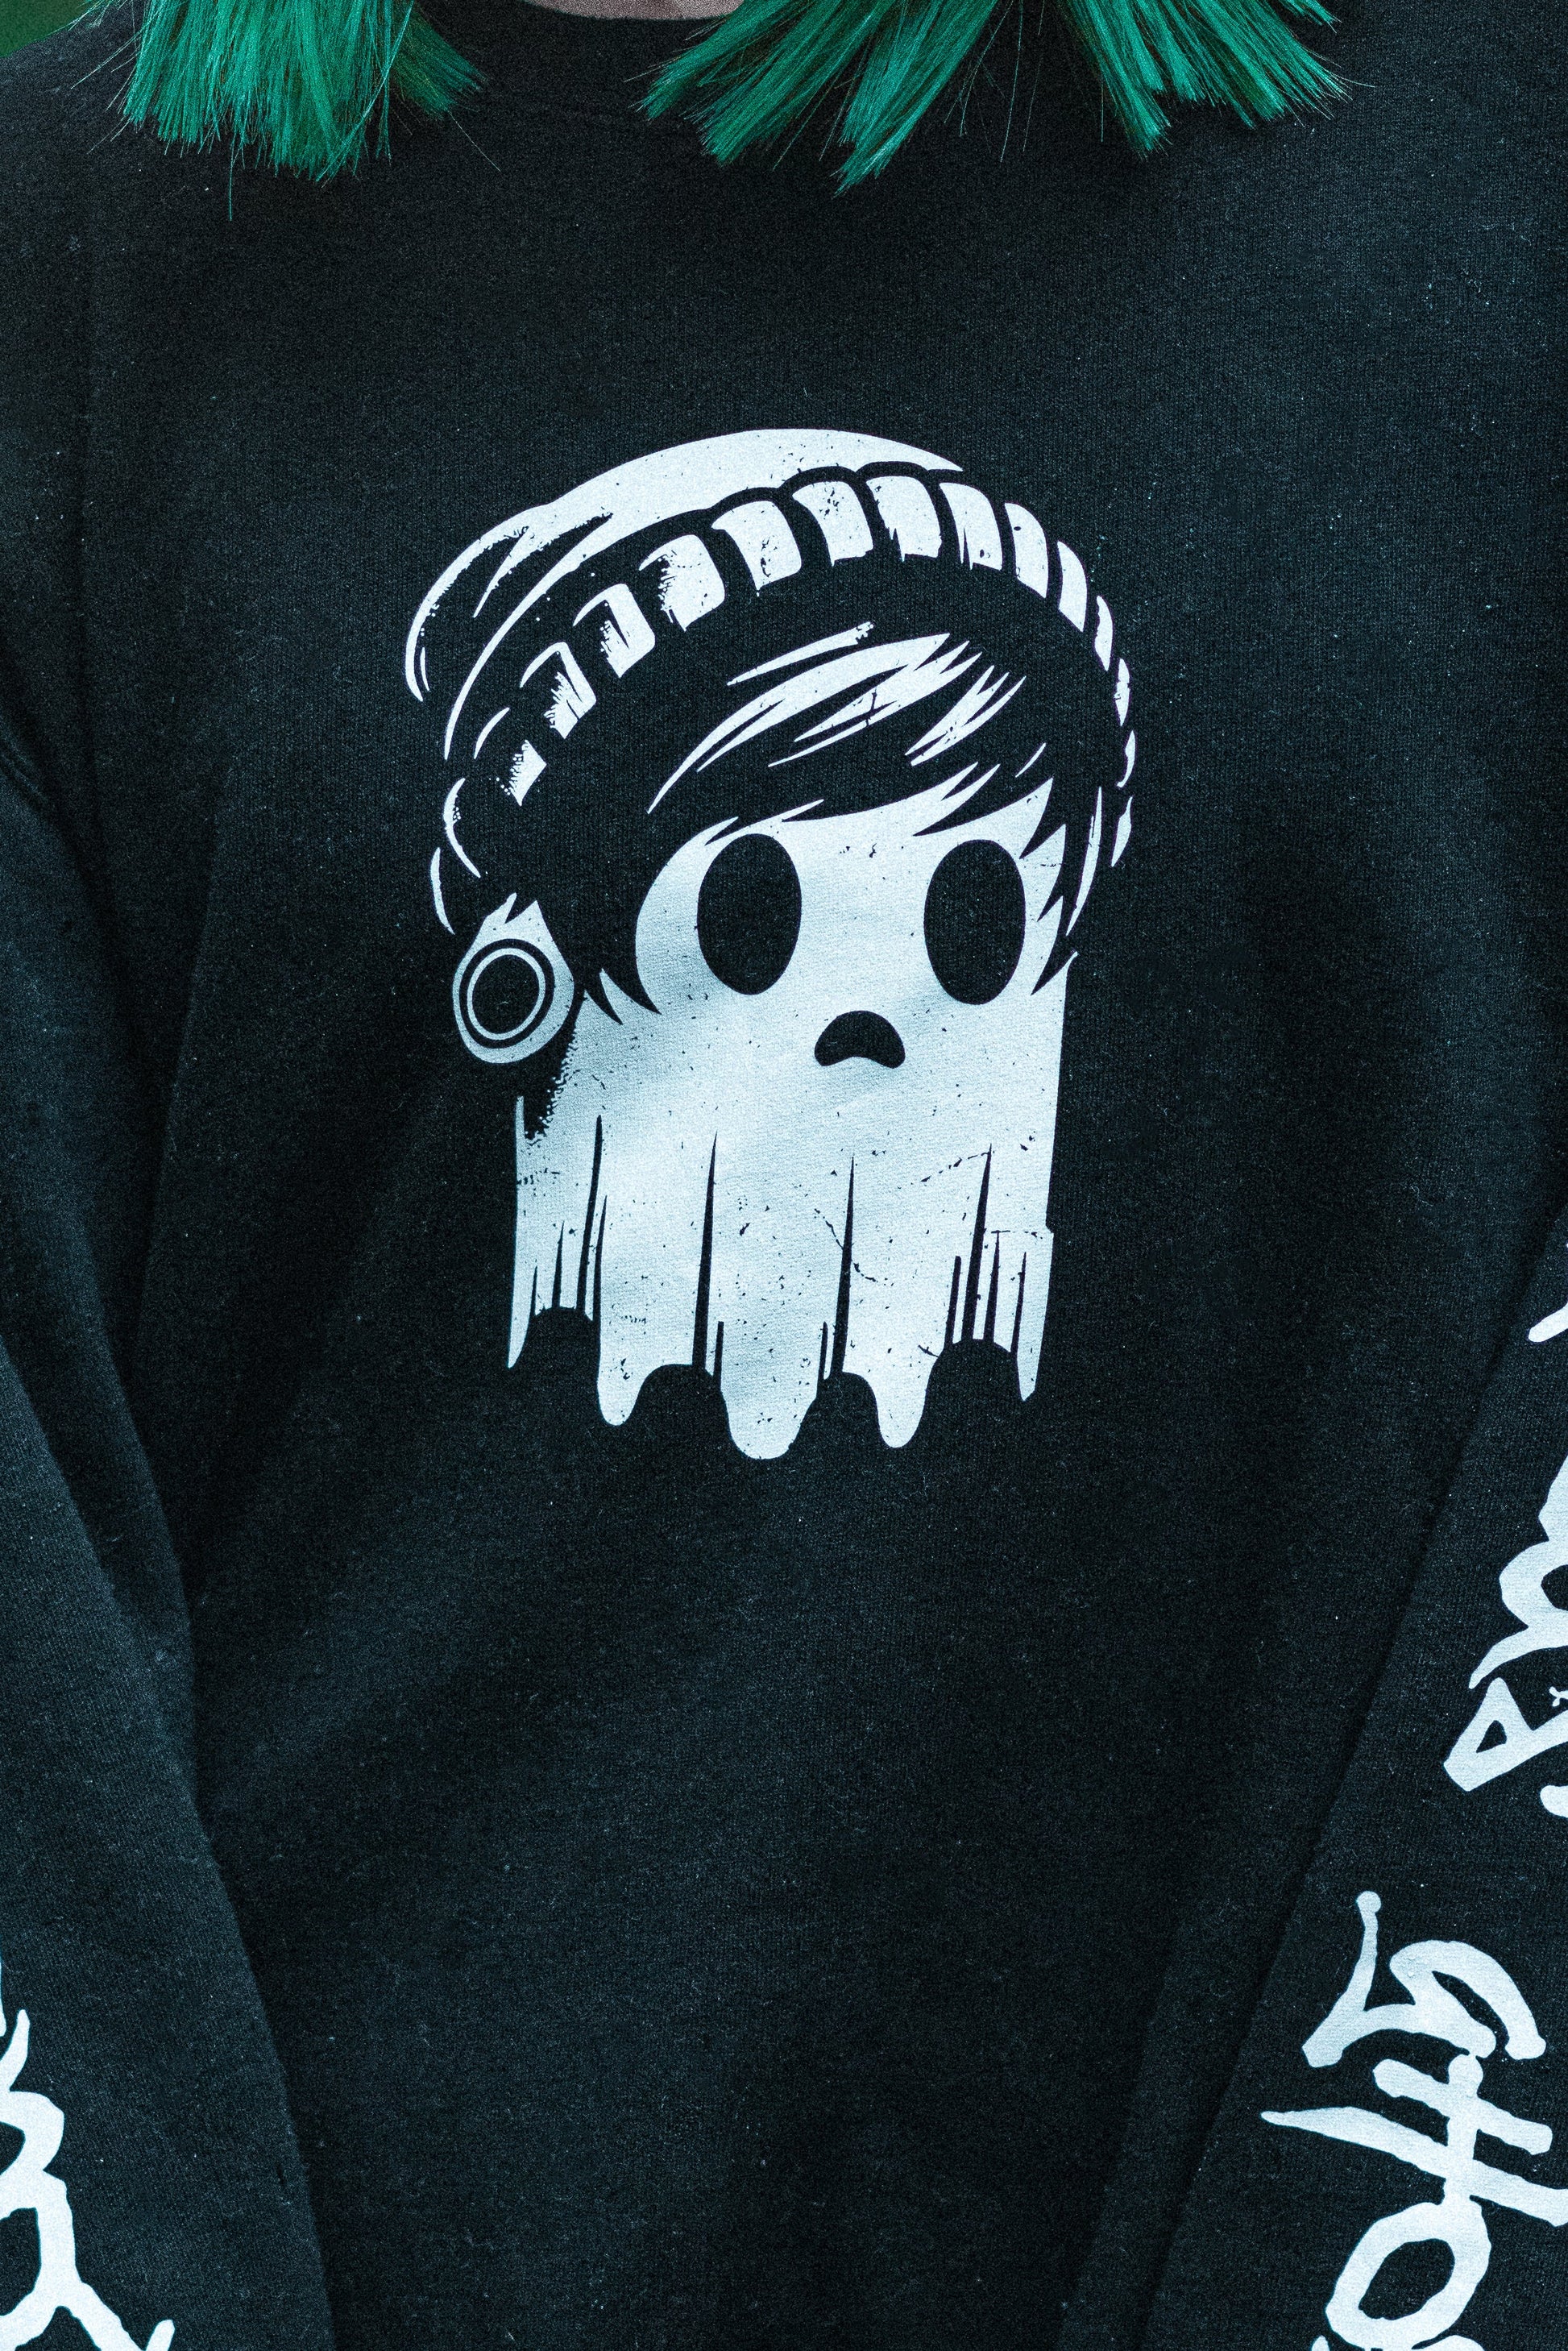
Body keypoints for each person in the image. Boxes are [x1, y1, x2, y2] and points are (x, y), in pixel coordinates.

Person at [0, 0, 1562, 2343]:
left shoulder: (1514, 203)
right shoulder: (65, 273)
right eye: (742, 913)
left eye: (970, 924)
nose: (866, 1017)